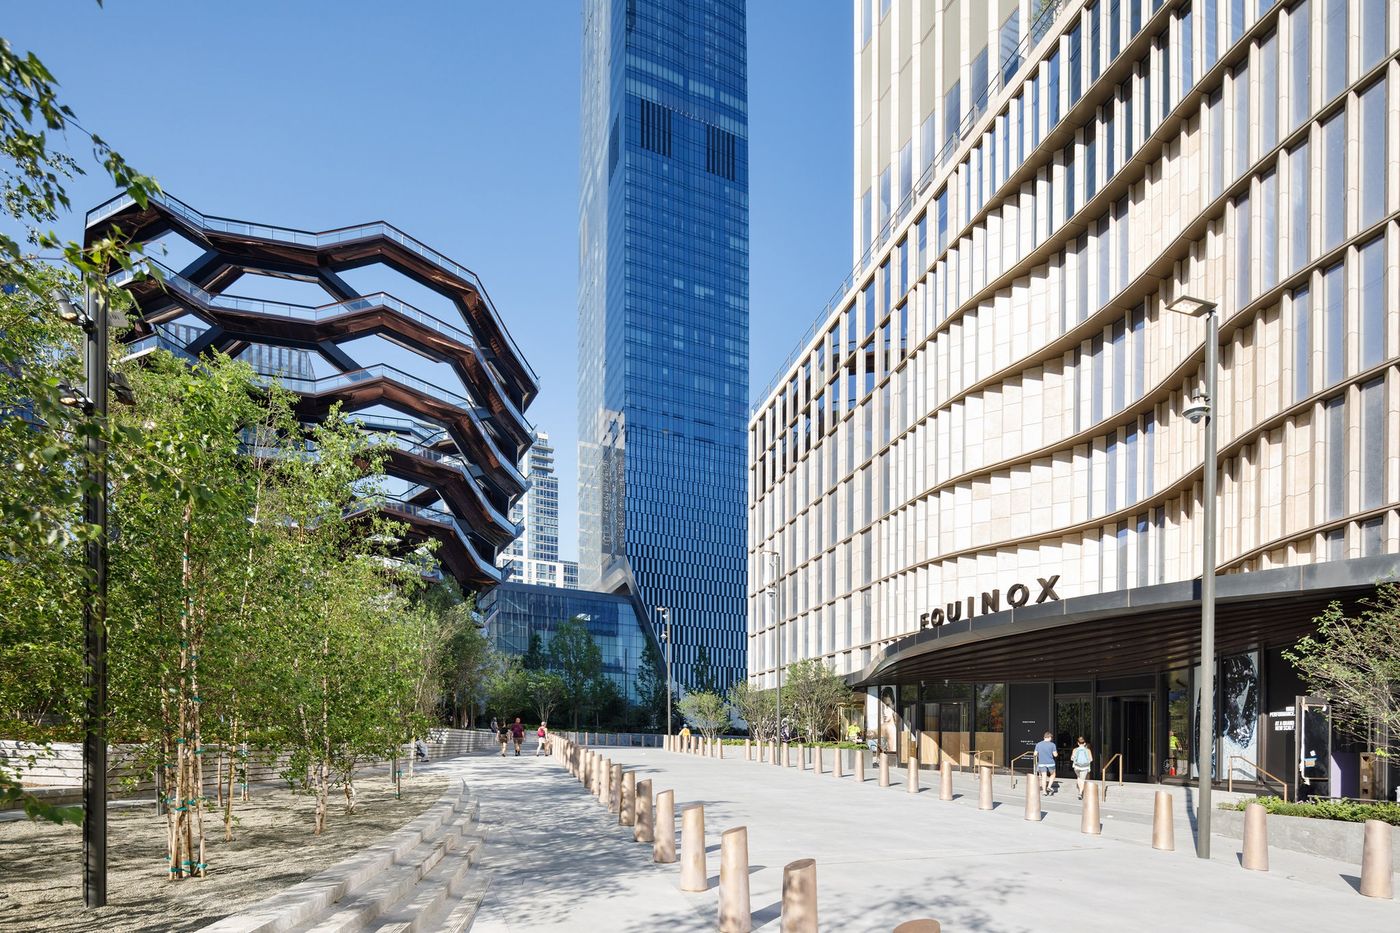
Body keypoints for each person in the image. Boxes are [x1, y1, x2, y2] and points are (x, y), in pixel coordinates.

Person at [1034, 730, 1058, 795]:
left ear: (1044, 737)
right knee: (1053, 774)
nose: (1051, 739)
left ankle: (1044, 791)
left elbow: (1035, 754)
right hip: (1050, 763)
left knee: (1044, 777)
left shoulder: (1038, 744)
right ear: (1049, 737)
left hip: (1041, 763)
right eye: (1051, 738)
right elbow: (1055, 755)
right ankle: (1049, 786)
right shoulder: (1052, 745)